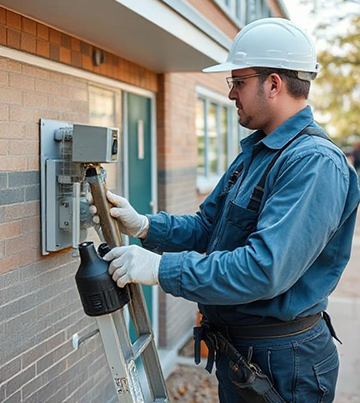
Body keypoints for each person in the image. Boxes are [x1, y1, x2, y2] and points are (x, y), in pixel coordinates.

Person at [92, 18, 360, 403]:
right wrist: (147, 226)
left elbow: (263, 268)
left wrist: (159, 269)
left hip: (285, 364)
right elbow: (208, 227)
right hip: (243, 355)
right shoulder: (256, 153)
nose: (231, 93)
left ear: (274, 84)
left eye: (239, 82)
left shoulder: (313, 163)